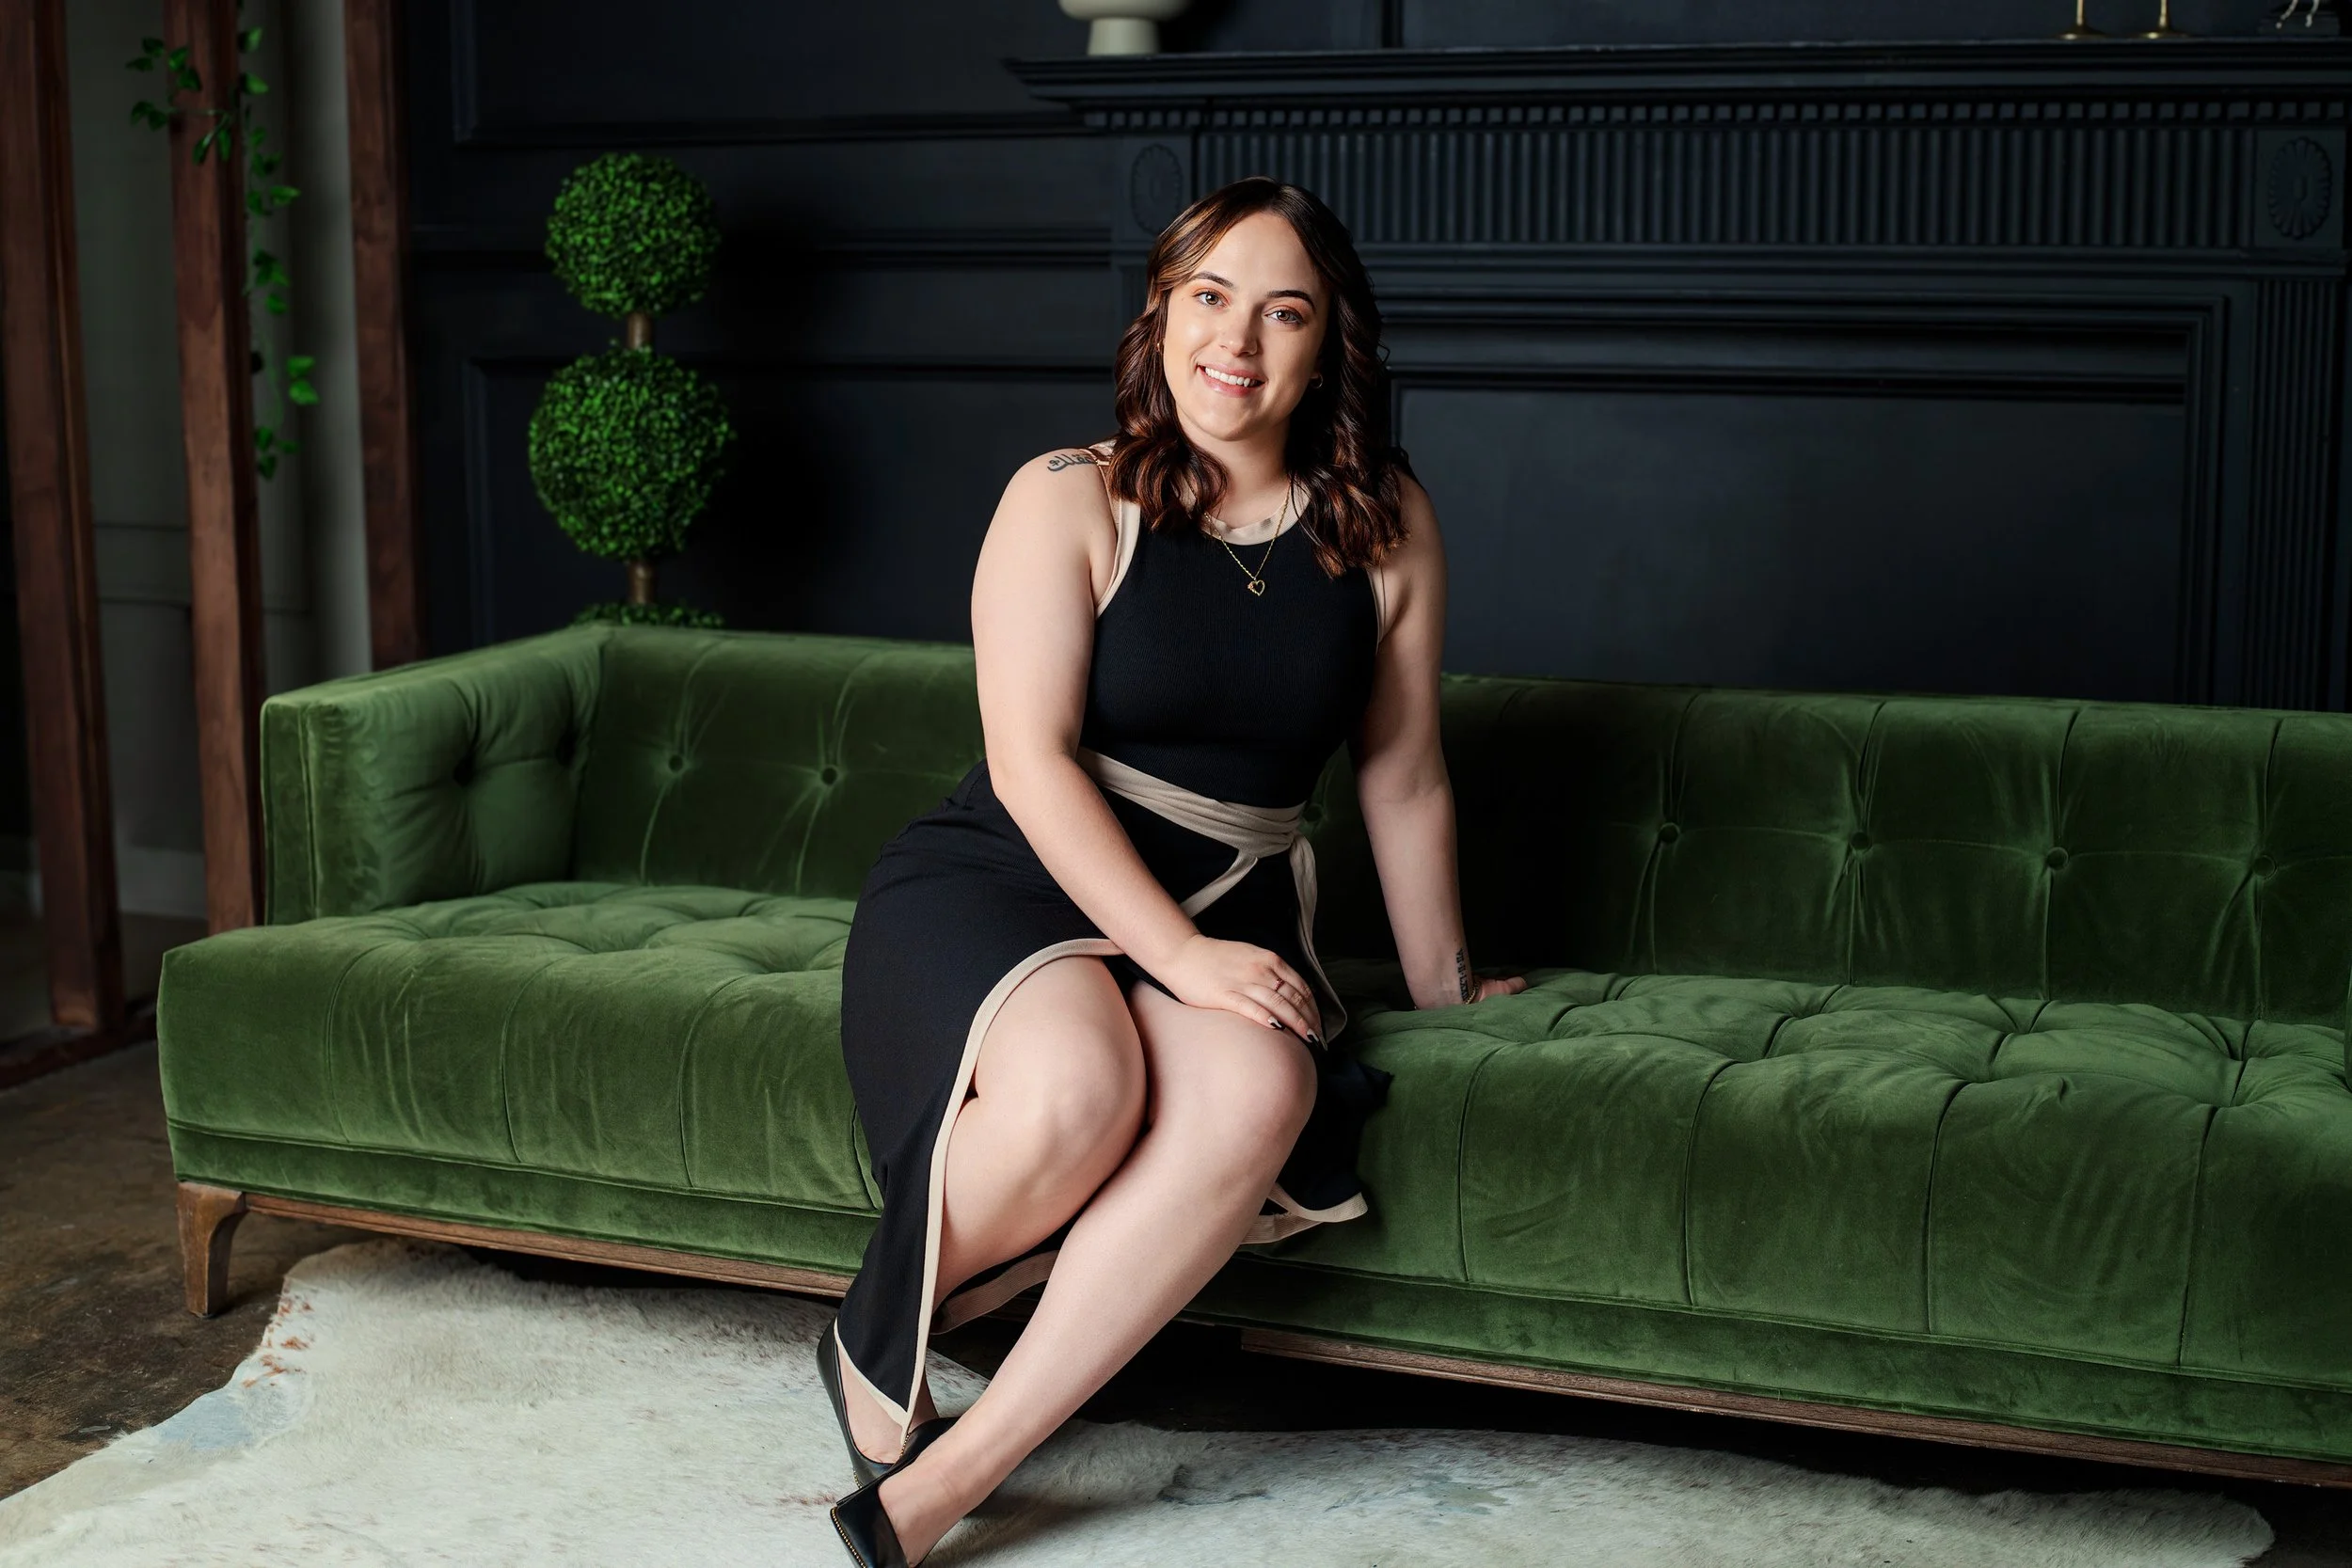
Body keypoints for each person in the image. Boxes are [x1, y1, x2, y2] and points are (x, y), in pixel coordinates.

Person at [820, 174, 1528, 1567]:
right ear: (1160, 314)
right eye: (1209, 297)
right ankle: (879, 1319)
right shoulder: (1067, 496)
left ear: (1330, 344)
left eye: (1284, 312)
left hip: (1232, 899)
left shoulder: (1382, 519)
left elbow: (1402, 775)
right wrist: (1182, 958)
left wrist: (1445, 988)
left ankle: (952, 1471)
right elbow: (1030, 764)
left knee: (1264, 1084)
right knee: (1082, 1088)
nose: (1237, 343)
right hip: (1010, 876)